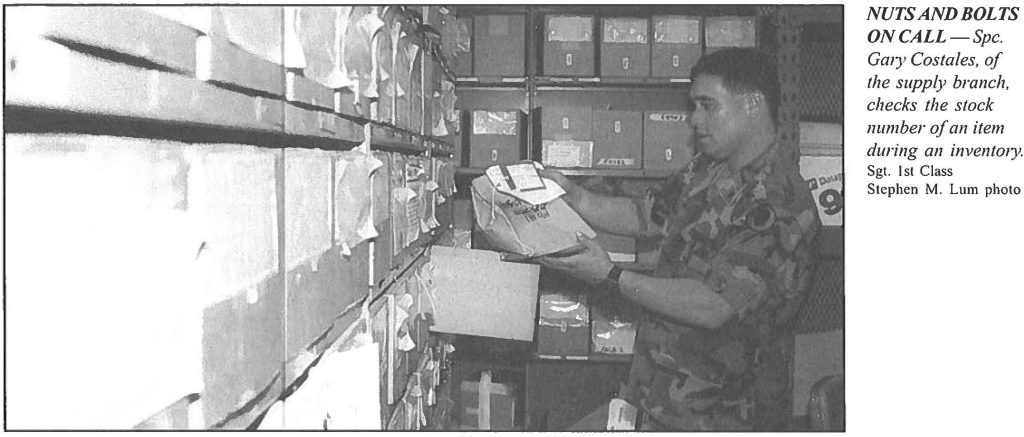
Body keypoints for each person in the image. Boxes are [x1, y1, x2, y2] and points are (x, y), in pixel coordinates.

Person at [538, 48, 820, 431]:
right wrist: (573, 195)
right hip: (658, 397)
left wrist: (611, 275)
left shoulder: (780, 202)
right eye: (694, 106)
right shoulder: (710, 169)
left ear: (753, 104)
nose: (694, 120)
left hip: (721, 414)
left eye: (708, 106)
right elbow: (646, 215)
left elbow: (714, 304)